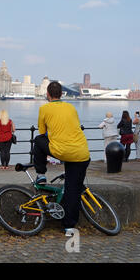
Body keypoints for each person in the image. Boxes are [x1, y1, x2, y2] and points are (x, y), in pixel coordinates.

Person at [33, 82, 90, 235]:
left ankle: (41, 175)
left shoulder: (44, 108)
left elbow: (42, 131)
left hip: (61, 151)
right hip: (81, 152)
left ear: (48, 94)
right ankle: (69, 226)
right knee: (74, 190)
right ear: (62, 93)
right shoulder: (71, 108)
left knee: (38, 140)